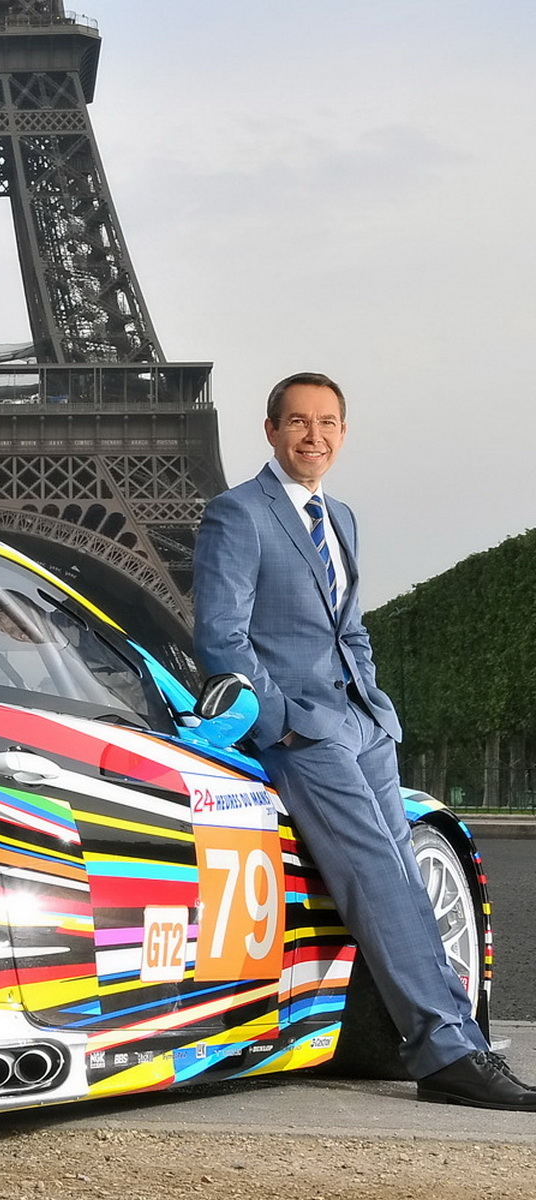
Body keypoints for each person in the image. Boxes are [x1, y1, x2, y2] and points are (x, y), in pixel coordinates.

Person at [193, 371, 536, 1110]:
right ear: (270, 430)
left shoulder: (340, 517)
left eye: (327, 423)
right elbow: (221, 638)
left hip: (362, 725)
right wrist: (284, 722)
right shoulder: (238, 513)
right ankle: (447, 1053)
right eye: (297, 422)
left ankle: (458, 1037)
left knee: (404, 875)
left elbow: (350, 628)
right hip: (302, 734)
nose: (312, 436)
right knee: (378, 875)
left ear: (343, 433)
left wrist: (375, 707)